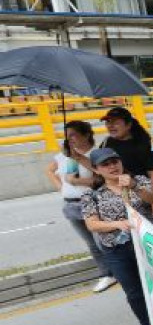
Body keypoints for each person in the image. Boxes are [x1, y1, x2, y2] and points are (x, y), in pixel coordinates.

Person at [81, 147, 153, 325]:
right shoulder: (92, 195)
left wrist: (133, 185)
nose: (112, 166)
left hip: (145, 243)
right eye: (105, 164)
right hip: (116, 250)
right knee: (134, 292)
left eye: (115, 161)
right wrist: (118, 224)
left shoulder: (139, 180)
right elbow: (92, 224)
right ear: (97, 170)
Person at [46, 120, 116, 293]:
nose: (70, 139)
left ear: (86, 135)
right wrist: (62, 187)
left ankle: (118, 270)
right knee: (91, 243)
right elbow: (50, 170)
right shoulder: (64, 155)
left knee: (103, 241)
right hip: (71, 204)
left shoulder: (95, 154)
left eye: (74, 135)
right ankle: (106, 274)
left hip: (90, 202)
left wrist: (77, 181)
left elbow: (101, 179)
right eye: (67, 136)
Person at [98, 107, 153, 228]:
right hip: (117, 198)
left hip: (142, 196)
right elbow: (98, 167)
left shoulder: (144, 143)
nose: (110, 126)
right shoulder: (107, 143)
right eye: (108, 122)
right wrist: (77, 157)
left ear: (128, 125)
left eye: (116, 122)